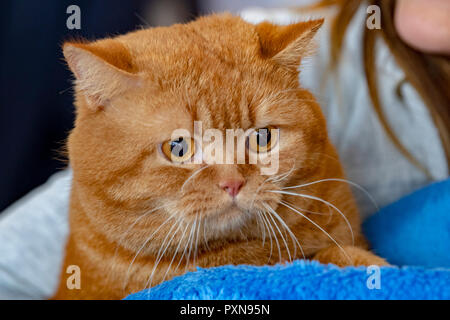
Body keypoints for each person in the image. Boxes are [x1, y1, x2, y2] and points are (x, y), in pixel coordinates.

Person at [0, 0, 448, 299]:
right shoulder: (341, 53)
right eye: (181, 148)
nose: (232, 179)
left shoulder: (274, 64)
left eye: (261, 140)